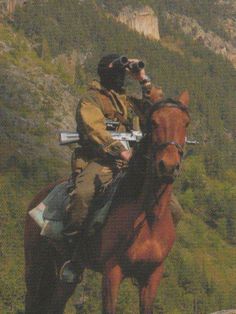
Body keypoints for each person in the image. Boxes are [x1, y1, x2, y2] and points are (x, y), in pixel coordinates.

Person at [60, 54, 183, 283]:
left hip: (132, 163)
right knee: (82, 194)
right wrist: (120, 150)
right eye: (118, 72)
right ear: (106, 73)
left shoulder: (127, 101)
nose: (121, 77)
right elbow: (94, 130)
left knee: (174, 209)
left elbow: (158, 108)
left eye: (123, 73)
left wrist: (143, 80)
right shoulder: (91, 99)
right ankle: (73, 253)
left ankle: (153, 254)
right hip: (102, 160)